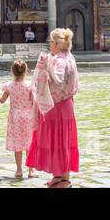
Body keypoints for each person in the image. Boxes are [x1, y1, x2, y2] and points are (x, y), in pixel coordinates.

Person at [28, 27, 80, 188]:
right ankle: (59, 176)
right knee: (60, 141)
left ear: (57, 44)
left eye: (51, 41)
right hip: (64, 105)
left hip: (56, 107)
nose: (50, 44)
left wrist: (45, 67)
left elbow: (57, 80)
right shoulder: (68, 57)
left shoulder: (59, 60)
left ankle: (65, 179)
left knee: (59, 142)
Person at [0, 59, 36, 180]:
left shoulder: (9, 86)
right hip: (28, 116)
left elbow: (2, 100)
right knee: (29, 143)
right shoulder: (29, 86)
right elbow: (34, 102)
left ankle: (18, 170)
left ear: (12, 72)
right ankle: (31, 170)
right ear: (25, 71)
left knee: (18, 144)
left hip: (15, 117)